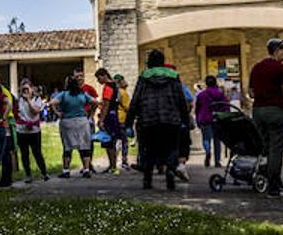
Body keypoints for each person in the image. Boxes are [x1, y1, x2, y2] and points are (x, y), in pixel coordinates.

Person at [125, 50, 190, 190]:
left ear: (149, 63)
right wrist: (186, 119)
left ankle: (147, 180)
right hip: (171, 119)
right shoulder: (173, 76)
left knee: (148, 150)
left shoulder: (144, 76)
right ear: (163, 61)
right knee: (172, 148)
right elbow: (181, 99)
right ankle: (170, 171)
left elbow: (135, 100)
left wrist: (129, 122)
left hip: (148, 120)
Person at [249, 37, 283, 197]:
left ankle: (264, 180)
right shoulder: (280, 68)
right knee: (276, 149)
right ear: (277, 51)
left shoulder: (256, 67)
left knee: (264, 147)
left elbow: (251, 92)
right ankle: (274, 186)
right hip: (277, 110)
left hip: (258, 111)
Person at [51, 75, 95, 178]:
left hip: (67, 122)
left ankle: (66, 170)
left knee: (67, 147)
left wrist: (57, 113)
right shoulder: (83, 94)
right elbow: (95, 102)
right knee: (84, 146)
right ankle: (86, 169)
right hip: (82, 122)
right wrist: (91, 114)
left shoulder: (63, 95)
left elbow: (52, 102)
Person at [14, 80, 49, 182]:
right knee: (24, 154)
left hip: (34, 131)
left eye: (27, 89)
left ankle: (44, 172)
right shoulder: (18, 100)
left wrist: (29, 100)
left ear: (31, 89)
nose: (25, 91)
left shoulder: (37, 99)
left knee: (37, 153)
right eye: (23, 89)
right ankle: (28, 175)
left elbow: (35, 111)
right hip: (22, 131)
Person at [94, 68, 123, 175]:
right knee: (113, 141)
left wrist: (101, 120)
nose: (98, 81)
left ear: (104, 75)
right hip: (114, 115)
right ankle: (113, 166)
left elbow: (106, 104)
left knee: (108, 142)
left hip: (109, 117)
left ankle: (112, 166)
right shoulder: (115, 86)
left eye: (98, 78)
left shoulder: (107, 87)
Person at [194, 75, 228, 168]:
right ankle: (217, 161)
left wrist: (198, 119)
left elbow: (197, 108)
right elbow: (226, 106)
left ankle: (208, 151)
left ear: (206, 83)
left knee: (206, 138)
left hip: (205, 119)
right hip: (217, 119)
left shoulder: (201, 95)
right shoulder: (220, 94)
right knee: (217, 141)